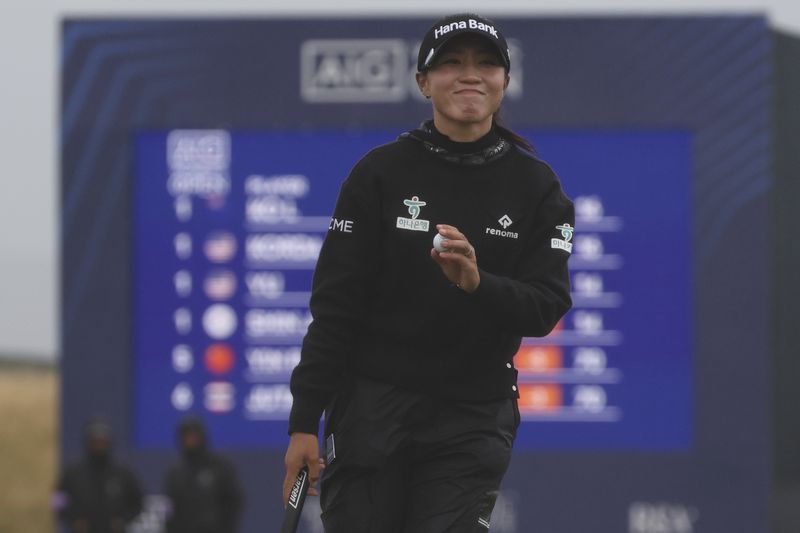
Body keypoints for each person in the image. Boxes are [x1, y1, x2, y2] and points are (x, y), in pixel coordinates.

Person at [283, 12, 574, 533]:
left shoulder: (537, 188)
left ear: (504, 82)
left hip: (473, 412)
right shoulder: (379, 173)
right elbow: (334, 310)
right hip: (372, 407)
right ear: (423, 82)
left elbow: (546, 306)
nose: (470, 75)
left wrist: (477, 284)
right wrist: (304, 422)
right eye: (451, 63)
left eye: (487, 64)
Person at [53, 418, 144, 533]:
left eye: (102, 442)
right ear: (87, 443)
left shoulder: (123, 473)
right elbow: (57, 501)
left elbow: (139, 501)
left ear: (109, 443)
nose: (99, 446)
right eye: (95, 443)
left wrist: (124, 520)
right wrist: (73, 520)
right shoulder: (73, 472)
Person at [163, 416, 243, 533]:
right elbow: (171, 509)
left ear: (202, 436)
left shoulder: (220, 467)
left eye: (194, 436)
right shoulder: (175, 472)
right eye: (187, 436)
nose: (190, 440)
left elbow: (234, 503)